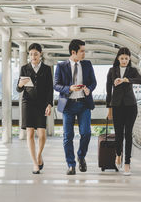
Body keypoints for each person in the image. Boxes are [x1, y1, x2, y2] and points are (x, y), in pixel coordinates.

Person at [54, 39, 97, 175]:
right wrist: (68, 88)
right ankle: (71, 165)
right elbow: (56, 85)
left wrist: (89, 89)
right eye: (82, 51)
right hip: (68, 105)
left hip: (84, 104)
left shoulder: (87, 64)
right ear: (73, 52)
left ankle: (81, 156)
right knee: (68, 136)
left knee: (86, 133)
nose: (84, 53)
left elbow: (93, 82)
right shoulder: (61, 66)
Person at [17, 43, 53, 174]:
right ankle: (34, 163)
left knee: (42, 134)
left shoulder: (47, 69)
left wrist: (49, 104)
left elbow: (50, 89)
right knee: (30, 133)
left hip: (42, 103)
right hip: (28, 102)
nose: (33, 56)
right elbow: (18, 88)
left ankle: (39, 156)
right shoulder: (24, 68)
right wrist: (20, 84)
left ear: (40, 54)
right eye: (31, 54)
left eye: (36, 54)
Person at [106, 47, 141, 176]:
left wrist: (127, 80)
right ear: (118, 58)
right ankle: (118, 155)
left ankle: (127, 163)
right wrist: (109, 109)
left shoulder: (132, 71)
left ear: (129, 59)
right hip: (116, 106)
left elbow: (140, 80)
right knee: (119, 134)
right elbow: (108, 92)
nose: (124, 60)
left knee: (128, 134)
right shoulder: (112, 71)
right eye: (122, 58)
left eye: (126, 58)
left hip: (131, 106)